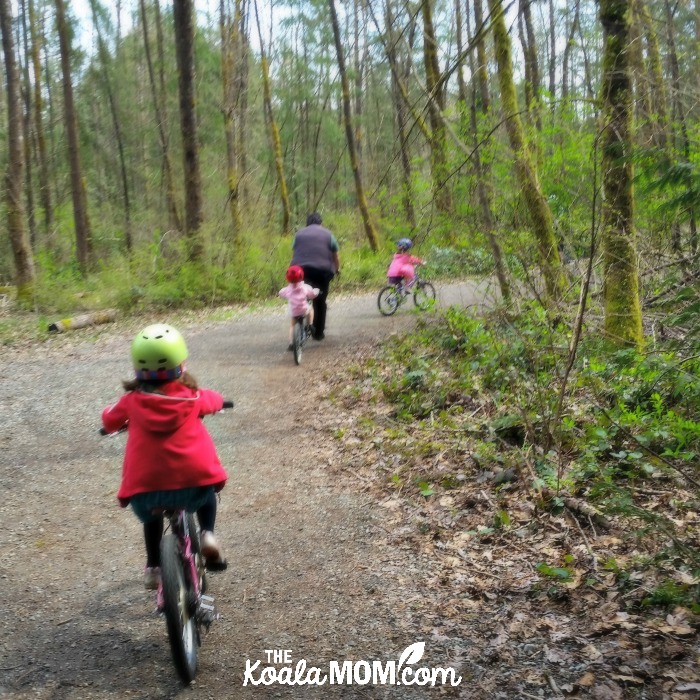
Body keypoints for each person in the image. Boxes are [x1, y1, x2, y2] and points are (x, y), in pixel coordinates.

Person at [101, 323, 228, 590]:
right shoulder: (193, 396)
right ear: (180, 362)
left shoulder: (130, 401)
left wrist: (109, 425)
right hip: (193, 483)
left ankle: (153, 568)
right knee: (207, 496)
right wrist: (221, 402)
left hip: (146, 492)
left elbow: (110, 418)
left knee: (151, 519)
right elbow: (213, 399)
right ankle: (207, 535)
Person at [290, 212, 340, 341]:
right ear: (320, 223)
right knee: (320, 301)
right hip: (322, 271)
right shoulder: (329, 234)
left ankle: (298, 329)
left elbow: (295, 253)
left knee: (301, 296)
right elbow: (335, 256)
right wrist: (336, 269)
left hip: (301, 271)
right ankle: (318, 333)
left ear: (307, 223)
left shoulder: (299, 234)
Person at [279, 265, 320, 350]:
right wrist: (317, 291)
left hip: (294, 312)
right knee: (311, 308)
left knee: (292, 326)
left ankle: (291, 343)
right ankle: (310, 325)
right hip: (304, 310)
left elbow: (281, 293)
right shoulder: (305, 287)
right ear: (301, 276)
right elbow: (312, 294)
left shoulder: (287, 290)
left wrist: (281, 293)